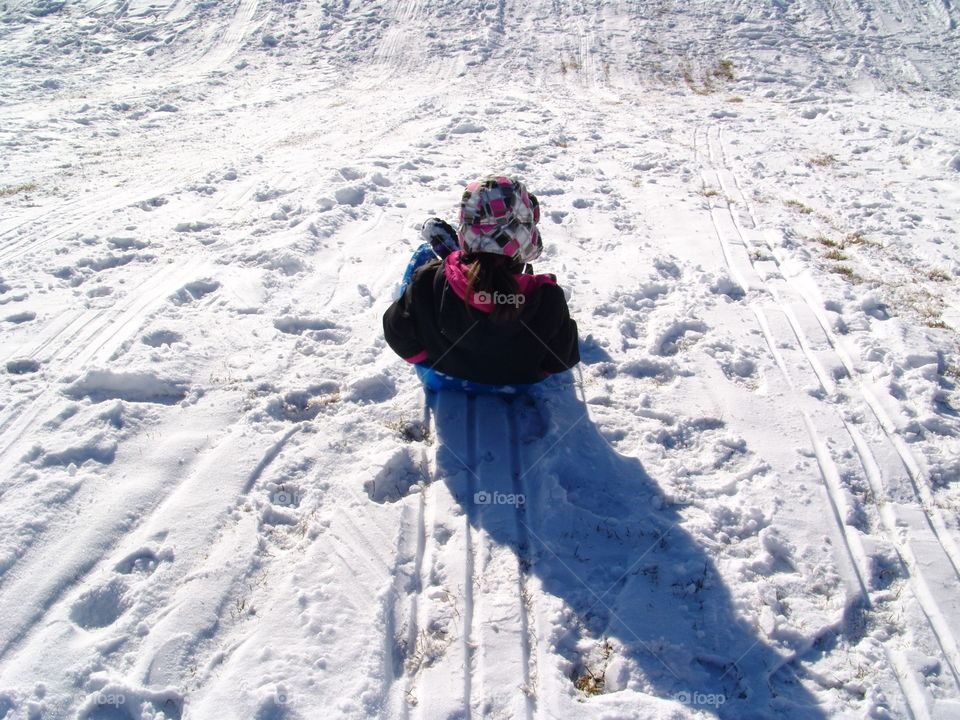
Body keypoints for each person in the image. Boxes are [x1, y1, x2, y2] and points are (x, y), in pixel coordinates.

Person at [383, 175, 579, 391]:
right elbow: (561, 359)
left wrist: (430, 358)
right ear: (528, 238)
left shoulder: (428, 281)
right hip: (520, 383)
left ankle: (456, 256)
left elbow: (396, 333)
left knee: (420, 282)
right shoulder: (547, 298)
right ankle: (486, 253)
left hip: (445, 373)